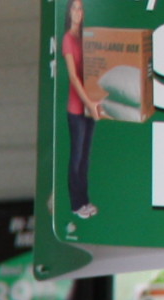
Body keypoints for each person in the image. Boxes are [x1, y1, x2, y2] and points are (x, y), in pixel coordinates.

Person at [62, 0, 104, 220]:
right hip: (77, 108)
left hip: (90, 107)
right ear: (69, 13)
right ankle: (76, 204)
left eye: (80, 8)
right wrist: (88, 102)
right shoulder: (68, 39)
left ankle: (84, 200)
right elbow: (73, 76)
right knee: (77, 157)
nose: (77, 12)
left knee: (85, 158)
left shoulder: (85, 38)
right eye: (74, 8)